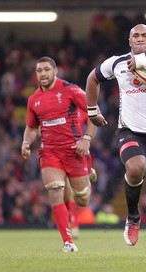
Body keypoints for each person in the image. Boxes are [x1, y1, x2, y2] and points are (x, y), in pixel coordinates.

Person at [85, 24, 146, 259]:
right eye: (135, 36)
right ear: (129, 41)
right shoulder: (117, 63)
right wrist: (90, 110)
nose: (140, 38)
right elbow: (92, 78)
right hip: (130, 132)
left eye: (144, 35)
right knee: (136, 167)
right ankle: (132, 217)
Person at [21, 56, 97, 252]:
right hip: (49, 153)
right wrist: (26, 142)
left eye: (47, 69)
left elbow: (93, 112)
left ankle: (87, 171)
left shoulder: (70, 90)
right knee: (55, 190)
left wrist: (86, 139)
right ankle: (68, 242)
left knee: (82, 199)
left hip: (74, 151)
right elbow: (31, 128)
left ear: (56, 71)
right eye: (39, 70)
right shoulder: (34, 99)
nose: (43, 73)